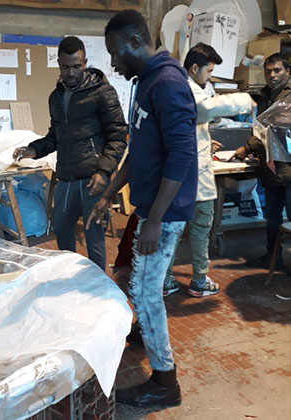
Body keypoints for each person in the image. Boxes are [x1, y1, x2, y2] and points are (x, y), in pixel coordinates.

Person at [87, 10, 198, 408]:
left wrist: (155, 220)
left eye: (115, 53)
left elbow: (182, 155)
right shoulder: (146, 82)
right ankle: (144, 333)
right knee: (140, 284)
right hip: (152, 207)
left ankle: (165, 382)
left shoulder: (168, 83)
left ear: (135, 42)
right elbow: (138, 151)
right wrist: (108, 195)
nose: (113, 64)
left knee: (146, 292)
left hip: (165, 212)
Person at [13, 36, 127, 271]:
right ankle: (71, 278)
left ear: (85, 62)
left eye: (77, 66)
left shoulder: (102, 92)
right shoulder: (55, 97)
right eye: (66, 67)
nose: (72, 73)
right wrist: (34, 149)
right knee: (62, 228)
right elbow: (56, 135)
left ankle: (97, 288)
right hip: (66, 177)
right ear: (59, 64)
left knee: (94, 237)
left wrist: (104, 171)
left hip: (94, 179)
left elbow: (118, 136)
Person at [164, 43, 256, 298]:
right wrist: (243, 100)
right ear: (194, 68)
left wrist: (204, 140)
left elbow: (189, 125)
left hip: (180, 174)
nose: (210, 77)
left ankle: (166, 279)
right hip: (194, 177)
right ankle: (199, 281)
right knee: (200, 228)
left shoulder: (174, 87)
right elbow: (205, 110)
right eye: (209, 71)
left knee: (173, 231)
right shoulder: (191, 90)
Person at [232, 53, 291, 270]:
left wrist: (246, 148)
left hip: (289, 168)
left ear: (288, 71)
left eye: (277, 70)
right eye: (268, 71)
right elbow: (261, 128)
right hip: (273, 168)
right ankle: (273, 258)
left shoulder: (288, 97)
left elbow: (274, 127)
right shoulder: (265, 96)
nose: (272, 75)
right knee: (273, 217)